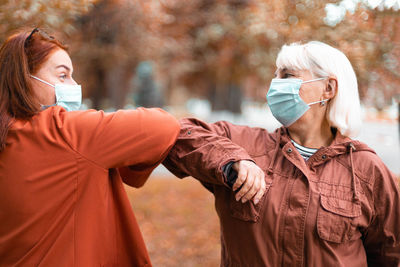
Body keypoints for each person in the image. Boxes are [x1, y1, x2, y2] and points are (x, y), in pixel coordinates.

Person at [163, 41, 400, 266]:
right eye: (276, 75)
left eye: (287, 75)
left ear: (328, 88)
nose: (275, 84)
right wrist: (231, 159)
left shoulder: (367, 170)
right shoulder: (243, 143)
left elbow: (391, 256)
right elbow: (178, 134)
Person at [0, 28, 179, 266]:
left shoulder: (9, 136)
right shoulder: (63, 132)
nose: (75, 85)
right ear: (23, 79)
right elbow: (162, 125)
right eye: (63, 76)